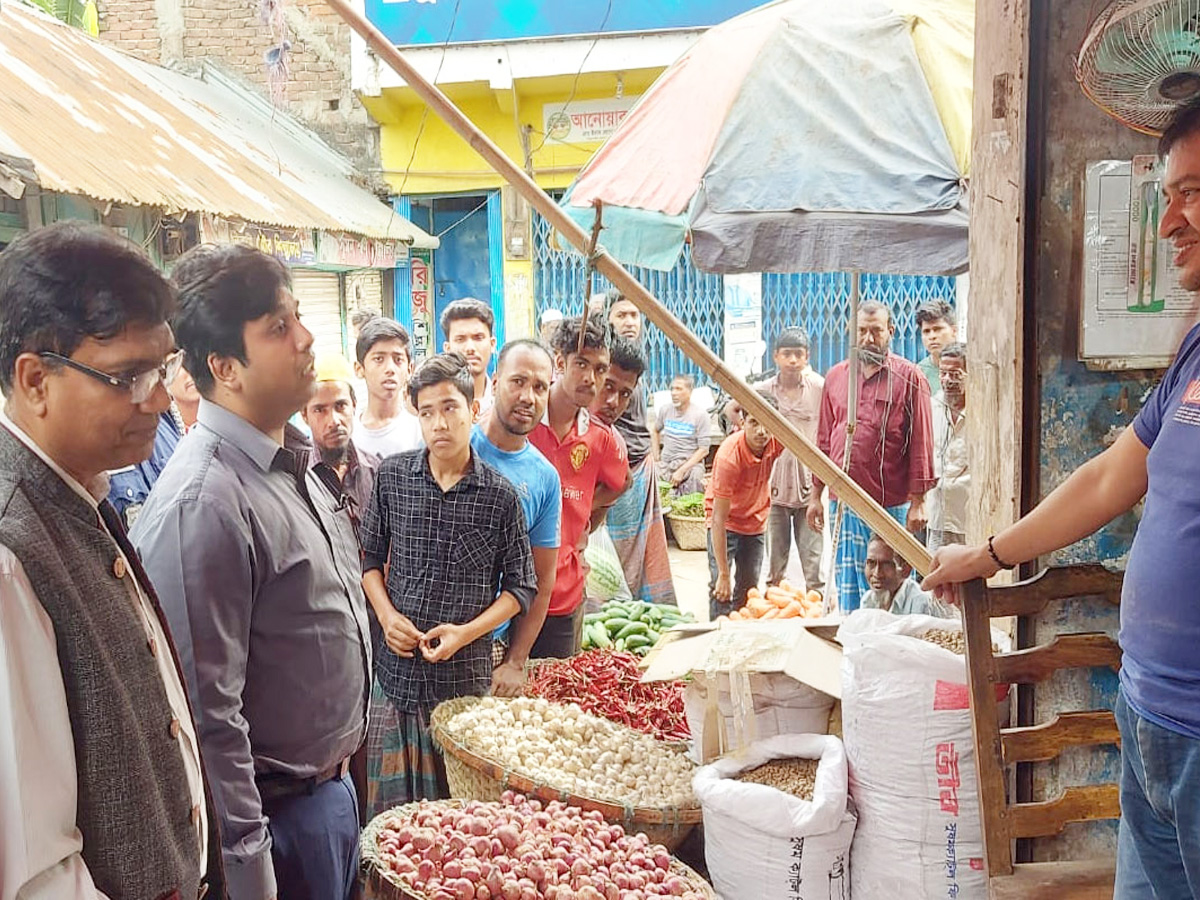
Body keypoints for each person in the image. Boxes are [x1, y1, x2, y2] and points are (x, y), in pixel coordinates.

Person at [922, 98, 1200, 899]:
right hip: (1148, 723)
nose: (1171, 223)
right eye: (1168, 196)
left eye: (1195, 194)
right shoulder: (1197, 347)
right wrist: (989, 554)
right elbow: (1112, 477)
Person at [132, 244, 371, 900]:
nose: (306, 338)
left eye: (297, 317)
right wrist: (249, 868)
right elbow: (209, 717)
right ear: (223, 367)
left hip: (329, 799)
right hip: (273, 827)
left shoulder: (288, 459)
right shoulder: (204, 503)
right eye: (279, 328)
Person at [0, 222, 223, 899]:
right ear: (36, 379)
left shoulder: (79, 487)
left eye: (161, 368)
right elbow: (37, 871)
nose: (158, 398)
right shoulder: (11, 553)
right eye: (128, 376)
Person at [361, 353, 536, 812]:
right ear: (415, 416)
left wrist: (465, 634)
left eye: (450, 407)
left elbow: (521, 589)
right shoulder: (393, 478)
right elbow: (370, 562)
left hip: (463, 685)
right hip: (396, 674)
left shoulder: (499, 495)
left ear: (473, 409)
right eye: (426, 411)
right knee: (392, 822)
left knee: (461, 822)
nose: (439, 422)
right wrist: (387, 616)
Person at [807, 300, 935, 612]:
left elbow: (921, 442)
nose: (868, 339)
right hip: (844, 503)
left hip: (892, 505)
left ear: (890, 331)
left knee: (895, 587)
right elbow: (824, 439)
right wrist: (816, 495)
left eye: (876, 331)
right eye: (862, 331)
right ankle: (856, 642)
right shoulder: (837, 377)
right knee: (851, 584)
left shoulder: (910, 376)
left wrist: (918, 502)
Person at [530, 315, 629, 656]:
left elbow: (620, 483)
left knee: (560, 699)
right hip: (511, 598)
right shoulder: (522, 425)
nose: (591, 379)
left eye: (601, 369)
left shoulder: (601, 439)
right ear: (560, 362)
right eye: (581, 364)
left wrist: (585, 511)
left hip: (565, 597)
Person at [472, 340, 561, 695]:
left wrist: (515, 661)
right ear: (495, 384)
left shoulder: (544, 477)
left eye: (540, 387)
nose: (528, 396)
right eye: (518, 382)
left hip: (490, 645)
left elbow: (541, 578)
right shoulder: (457, 449)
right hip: (427, 636)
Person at [601, 290, 677, 604]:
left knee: (647, 552)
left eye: (635, 315)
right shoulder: (601, 365)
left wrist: (652, 457)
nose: (630, 322)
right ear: (607, 321)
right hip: (609, 471)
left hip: (640, 468)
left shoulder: (638, 368)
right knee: (609, 553)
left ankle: (646, 609)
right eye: (621, 315)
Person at [757, 327, 826, 595]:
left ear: (807, 356)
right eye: (787, 354)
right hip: (773, 487)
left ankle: (817, 609)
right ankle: (772, 607)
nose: (793, 360)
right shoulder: (763, 390)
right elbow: (732, 407)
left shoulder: (819, 388)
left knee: (813, 564)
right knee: (774, 565)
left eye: (798, 354)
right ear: (776, 356)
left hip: (810, 489)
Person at [705, 400, 785, 620]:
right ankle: (718, 636)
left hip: (755, 521)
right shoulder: (729, 457)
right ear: (743, 423)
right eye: (754, 423)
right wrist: (723, 573)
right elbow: (718, 519)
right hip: (726, 522)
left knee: (749, 590)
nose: (761, 431)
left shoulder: (777, 441)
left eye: (767, 425)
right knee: (721, 588)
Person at [302, 354, 381, 542]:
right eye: (320, 410)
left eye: (340, 406)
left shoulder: (377, 472)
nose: (334, 421)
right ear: (304, 415)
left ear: (354, 406)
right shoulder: (297, 480)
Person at [355, 316, 421, 458]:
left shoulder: (421, 433)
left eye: (398, 360)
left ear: (410, 369)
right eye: (379, 359)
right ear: (359, 369)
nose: (390, 369)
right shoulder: (349, 434)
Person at [928, 342, 968, 552]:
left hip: (968, 520)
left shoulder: (982, 412)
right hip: (937, 518)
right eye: (943, 374)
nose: (947, 381)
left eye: (955, 374)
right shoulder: (932, 406)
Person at [861, 534, 952, 617]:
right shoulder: (868, 601)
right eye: (871, 563)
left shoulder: (920, 602)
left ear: (906, 570)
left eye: (886, 565)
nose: (877, 573)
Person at [652, 374, 711, 497]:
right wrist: (656, 456)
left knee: (696, 479)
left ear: (689, 391)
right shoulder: (665, 410)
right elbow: (655, 430)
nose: (674, 393)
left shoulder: (700, 415)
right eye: (672, 389)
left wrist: (681, 470)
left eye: (678, 389)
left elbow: (704, 450)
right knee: (649, 475)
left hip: (690, 465)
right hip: (666, 464)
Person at [441, 298, 498, 417]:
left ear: (492, 344)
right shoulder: (435, 403)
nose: (470, 348)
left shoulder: (503, 405)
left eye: (478, 338)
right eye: (460, 339)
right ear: (447, 349)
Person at [915, 299, 958, 394]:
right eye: (926, 331)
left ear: (954, 331)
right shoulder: (918, 374)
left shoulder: (970, 366)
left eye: (937, 329)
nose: (932, 336)